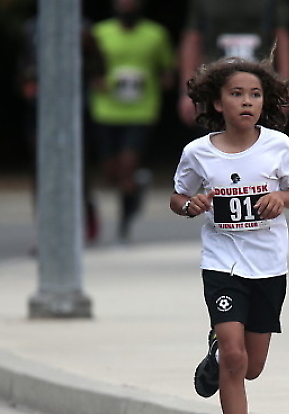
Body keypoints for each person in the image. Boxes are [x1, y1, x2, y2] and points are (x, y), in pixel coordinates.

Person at [170, 57, 289, 414]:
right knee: (236, 357)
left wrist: (281, 199)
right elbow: (177, 198)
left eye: (254, 94)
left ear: (264, 102)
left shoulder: (278, 146)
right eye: (236, 94)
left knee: (251, 367)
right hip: (222, 264)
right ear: (218, 103)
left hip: (268, 266)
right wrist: (190, 205)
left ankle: (217, 353)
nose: (247, 102)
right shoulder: (198, 153)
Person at [90, 0, 175, 241]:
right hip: (106, 109)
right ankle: (139, 183)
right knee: (111, 171)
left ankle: (124, 223)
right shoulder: (100, 33)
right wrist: (96, 79)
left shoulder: (155, 34)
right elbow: (88, 65)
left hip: (141, 110)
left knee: (127, 164)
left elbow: (167, 67)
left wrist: (165, 80)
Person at [18, 15, 105, 244]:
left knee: (77, 166)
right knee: (40, 168)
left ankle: (84, 213)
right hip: (40, 108)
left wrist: (92, 73)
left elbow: (99, 65)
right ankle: (45, 231)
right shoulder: (32, 28)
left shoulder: (82, 27)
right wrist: (26, 82)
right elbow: (24, 63)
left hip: (75, 108)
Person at [177, 0, 289, 127]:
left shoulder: (269, 3)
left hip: (260, 82)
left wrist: (285, 88)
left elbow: (282, 39)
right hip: (216, 84)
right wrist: (187, 92)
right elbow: (192, 41)